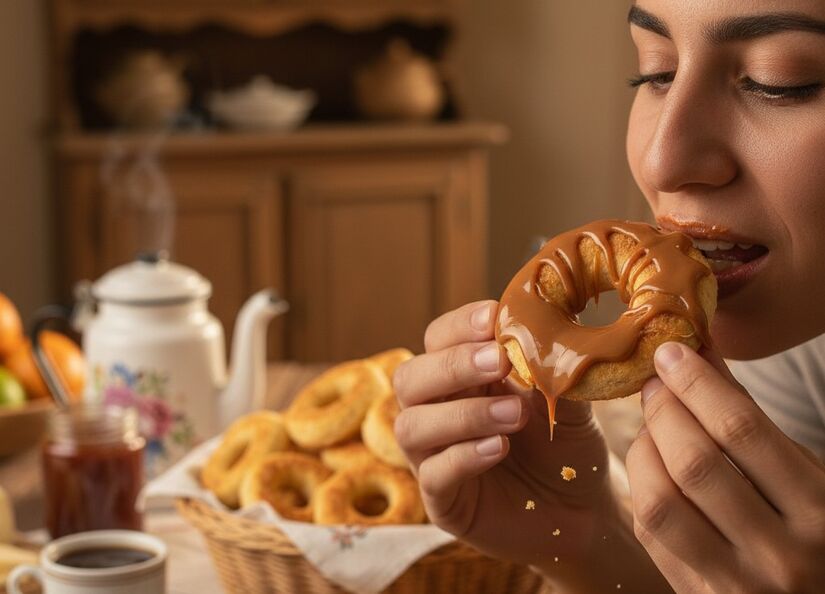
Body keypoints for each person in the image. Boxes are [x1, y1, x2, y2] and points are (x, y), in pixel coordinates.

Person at [392, 1, 825, 592]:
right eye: (655, 70)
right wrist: (589, 537)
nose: (660, 159)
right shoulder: (794, 341)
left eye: (780, 81)